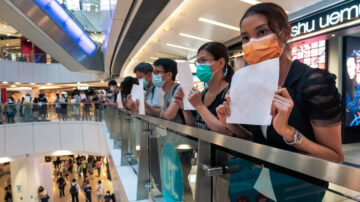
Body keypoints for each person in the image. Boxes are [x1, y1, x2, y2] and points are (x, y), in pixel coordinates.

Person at [216, 2, 343, 163]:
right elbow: (256, 140)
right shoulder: (252, 85)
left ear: (285, 33)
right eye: (245, 38)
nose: (252, 43)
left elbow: (335, 157)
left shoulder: (314, 83)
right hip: (257, 181)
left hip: (299, 186)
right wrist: (231, 123)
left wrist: (288, 132)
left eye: (262, 32)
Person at [174, 42, 247, 137]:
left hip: (221, 152)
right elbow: (193, 125)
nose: (200, 66)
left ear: (221, 63)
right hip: (203, 150)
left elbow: (227, 133)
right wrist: (184, 106)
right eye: (198, 62)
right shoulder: (203, 93)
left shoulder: (230, 94)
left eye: (203, 61)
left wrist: (200, 106)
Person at [145, 58, 184, 123]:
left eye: (157, 72)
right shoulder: (163, 92)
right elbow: (162, 113)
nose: (154, 75)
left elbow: (168, 115)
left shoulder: (179, 89)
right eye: (153, 72)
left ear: (169, 75)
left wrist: (148, 107)